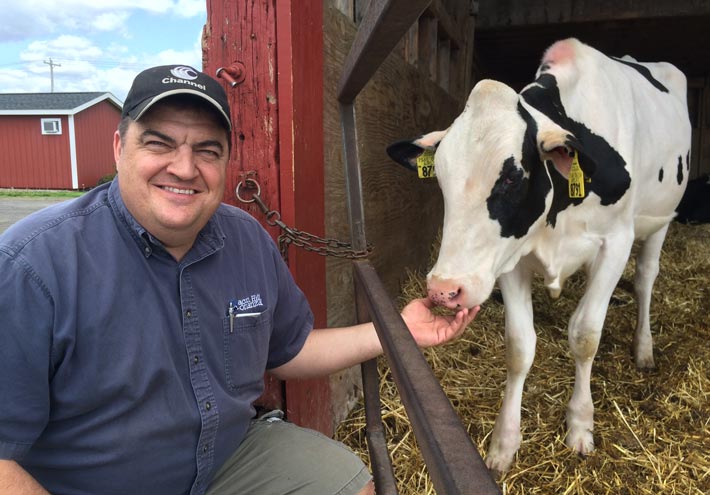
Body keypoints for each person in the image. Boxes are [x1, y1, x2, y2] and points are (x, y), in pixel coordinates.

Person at [0, 65, 478, 495]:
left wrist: (396, 330)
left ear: (227, 161)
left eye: (207, 150)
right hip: (97, 484)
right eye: (158, 143)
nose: (184, 168)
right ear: (118, 147)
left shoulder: (246, 240)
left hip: (225, 461)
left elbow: (289, 352)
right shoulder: (35, 265)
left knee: (350, 485)